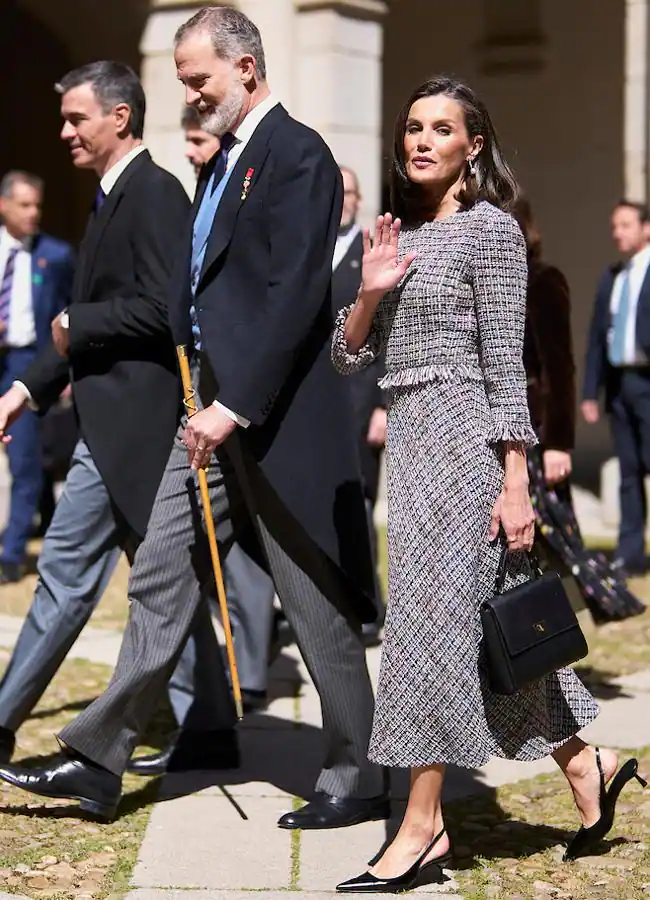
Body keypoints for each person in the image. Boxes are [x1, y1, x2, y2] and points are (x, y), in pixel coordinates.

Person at [0, 7, 386, 831]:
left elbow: (291, 301)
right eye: (182, 79)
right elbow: (197, 289)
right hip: (200, 410)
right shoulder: (222, 164)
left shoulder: (299, 155)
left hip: (266, 418)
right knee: (158, 579)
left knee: (312, 602)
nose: (189, 93)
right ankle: (98, 762)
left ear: (246, 69)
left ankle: (359, 774)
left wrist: (233, 405)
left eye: (198, 77)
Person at [331, 77, 643, 892]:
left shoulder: (492, 233)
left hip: (470, 449)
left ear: (474, 146)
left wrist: (515, 482)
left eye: (441, 129)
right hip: (413, 446)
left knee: (429, 641)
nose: (421, 140)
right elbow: (349, 358)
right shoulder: (397, 237)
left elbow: (508, 369)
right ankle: (591, 767)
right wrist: (368, 292)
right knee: (485, 633)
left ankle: (423, 826)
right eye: (412, 128)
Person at [0, 62, 237, 776]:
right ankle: (212, 729)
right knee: (167, 585)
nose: (65, 132)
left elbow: (171, 312)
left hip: (130, 430)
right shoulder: (108, 196)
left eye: (77, 119)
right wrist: (25, 389)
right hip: (118, 424)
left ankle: (2, 720)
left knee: (65, 577)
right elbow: (77, 332)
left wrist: (84, 318)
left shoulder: (156, 193)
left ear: (119, 119)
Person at [514, 196, 645, 624]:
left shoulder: (542, 280)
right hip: (497, 430)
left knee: (555, 540)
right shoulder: (485, 281)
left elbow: (559, 364)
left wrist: (558, 443)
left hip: (536, 433)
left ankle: (587, 611)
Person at [0, 171, 74, 582]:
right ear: (4, 205)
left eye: (37, 206)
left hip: (26, 363)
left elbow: (68, 310)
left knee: (25, 457)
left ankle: (11, 557)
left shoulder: (56, 255)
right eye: (25, 205)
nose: (34, 214)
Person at [332, 165, 387, 644]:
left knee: (360, 503)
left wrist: (383, 407)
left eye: (351, 193)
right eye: (339, 192)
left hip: (360, 398)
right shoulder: (314, 246)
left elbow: (389, 335)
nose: (344, 200)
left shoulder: (372, 251)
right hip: (318, 400)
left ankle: (369, 605)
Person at [582, 200, 650, 578]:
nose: (617, 232)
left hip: (648, 382)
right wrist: (591, 392)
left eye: (625, 225)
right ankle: (630, 554)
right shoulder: (613, 276)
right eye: (614, 225)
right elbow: (596, 337)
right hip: (620, 387)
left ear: (646, 229)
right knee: (628, 472)